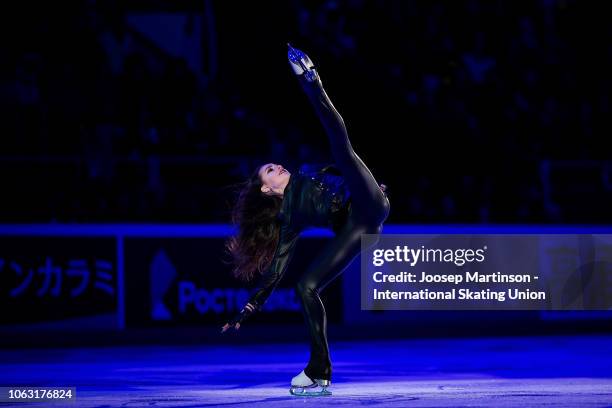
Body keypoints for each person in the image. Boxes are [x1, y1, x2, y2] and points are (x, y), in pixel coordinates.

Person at [222, 44, 390, 396]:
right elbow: (277, 269)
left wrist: (369, 187)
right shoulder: (289, 218)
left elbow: (339, 172)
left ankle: (313, 82)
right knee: (305, 287)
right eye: (270, 170)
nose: (277, 166)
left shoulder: (306, 172)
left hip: (367, 199)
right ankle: (319, 370)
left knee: (341, 148)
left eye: (275, 164)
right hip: (359, 225)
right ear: (267, 190)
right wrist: (250, 307)